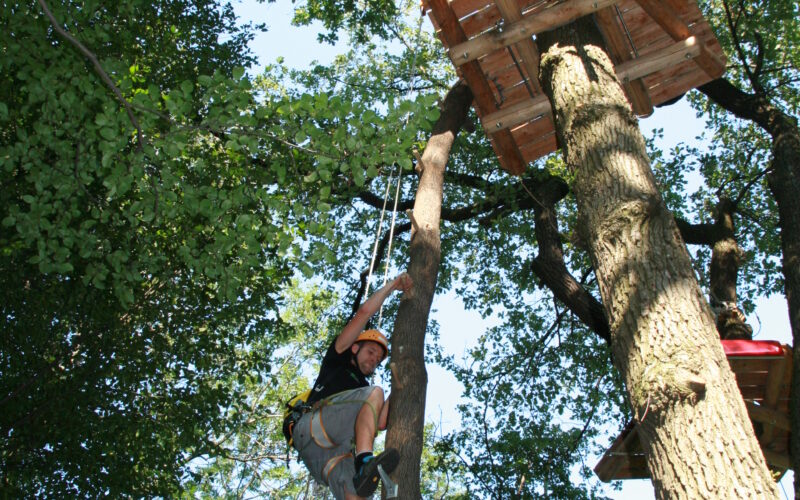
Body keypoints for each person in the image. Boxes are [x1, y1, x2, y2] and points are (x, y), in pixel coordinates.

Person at [291, 272, 413, 499]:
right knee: (375, 392)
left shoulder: (363, 391)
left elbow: (381, 422)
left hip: (323, 454)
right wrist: (392, 286)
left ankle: (362, 465)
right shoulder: (338, 356)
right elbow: (365, 312)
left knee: (357, 495)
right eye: (371, 352)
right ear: (355, 348)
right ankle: (364, 460)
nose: (373, 360)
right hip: (311, 426)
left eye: (378, 360)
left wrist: (400, 388)